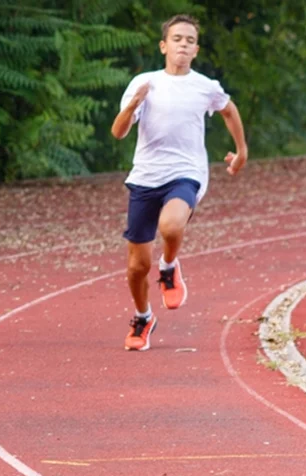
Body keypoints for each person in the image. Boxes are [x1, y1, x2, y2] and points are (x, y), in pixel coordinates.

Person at [111, 14, 247, 351]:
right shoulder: (144, 82)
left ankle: (169, 266)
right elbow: (118, 132)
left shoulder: (205, 86)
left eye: (189, 40)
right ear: (164, 46)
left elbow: (229, 110)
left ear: (196, 50)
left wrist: (242, 150)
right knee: (136, 267)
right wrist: (133, 105)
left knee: (171, 226)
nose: (183, 45)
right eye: (177, 39)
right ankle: (143, 317)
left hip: (187, 172)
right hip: (145, 177)